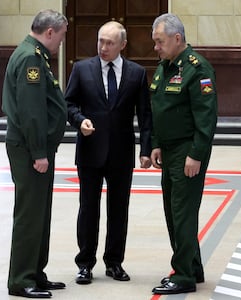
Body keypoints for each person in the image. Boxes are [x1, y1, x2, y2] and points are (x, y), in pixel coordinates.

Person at [65, 21, 152, 285]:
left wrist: (146, 149)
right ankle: (85, 264)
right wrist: (80, 120)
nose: (103, 47)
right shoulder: (81, 69)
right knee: (88, 209)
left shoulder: (136, 73)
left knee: (118, 210)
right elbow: (68, 103)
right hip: (90, 151)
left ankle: (114, 262)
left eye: (110, 43)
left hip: (121, 153)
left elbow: (145, 115)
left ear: (122, 45)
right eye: (101, 41)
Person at [149, 13, 218, 295]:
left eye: (160, 41)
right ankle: (193, 266)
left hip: (187, 150)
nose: (156, 47)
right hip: (168, 149)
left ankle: (183, 275)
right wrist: (155, 143)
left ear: (177, 39)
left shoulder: (197, 69)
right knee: (173, 211)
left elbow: (206, 117)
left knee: (182, 213)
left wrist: (196, 154)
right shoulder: (164, 67)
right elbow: (159, 109)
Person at [1, 9, 68, 299]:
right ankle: (21, 280)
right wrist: (40, 152)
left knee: (40, 212)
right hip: (30, 149)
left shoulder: (36, 54)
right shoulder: (30, 57)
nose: (62, 43)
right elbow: (31, 111)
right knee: (30, 214)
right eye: (62, 37)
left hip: (35, 148)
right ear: (50, 32)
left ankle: (35, 272)